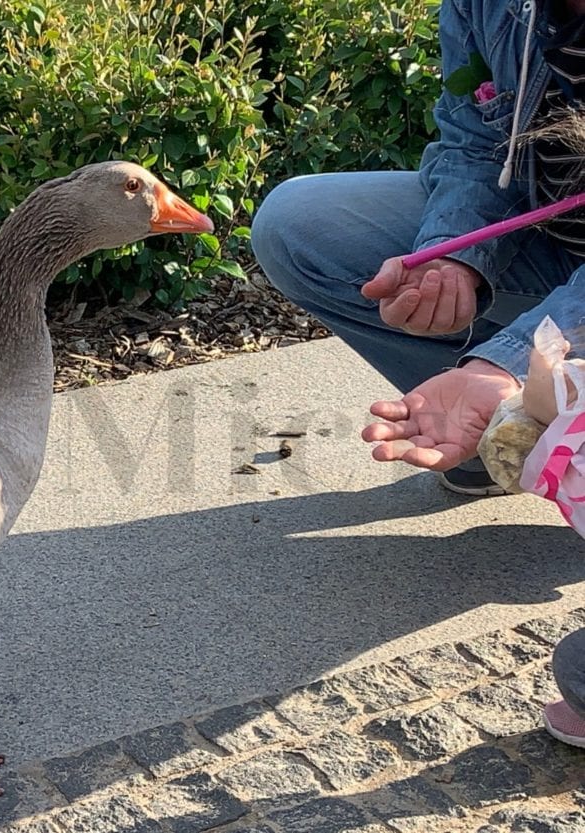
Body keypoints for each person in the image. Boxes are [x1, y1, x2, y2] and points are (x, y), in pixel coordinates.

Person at [250, 1, 585, 744]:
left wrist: (504, 363)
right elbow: (472, 139)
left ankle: (539, 423)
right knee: (298, 227)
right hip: (550, 237)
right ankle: (510, 439)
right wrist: (456, 251)